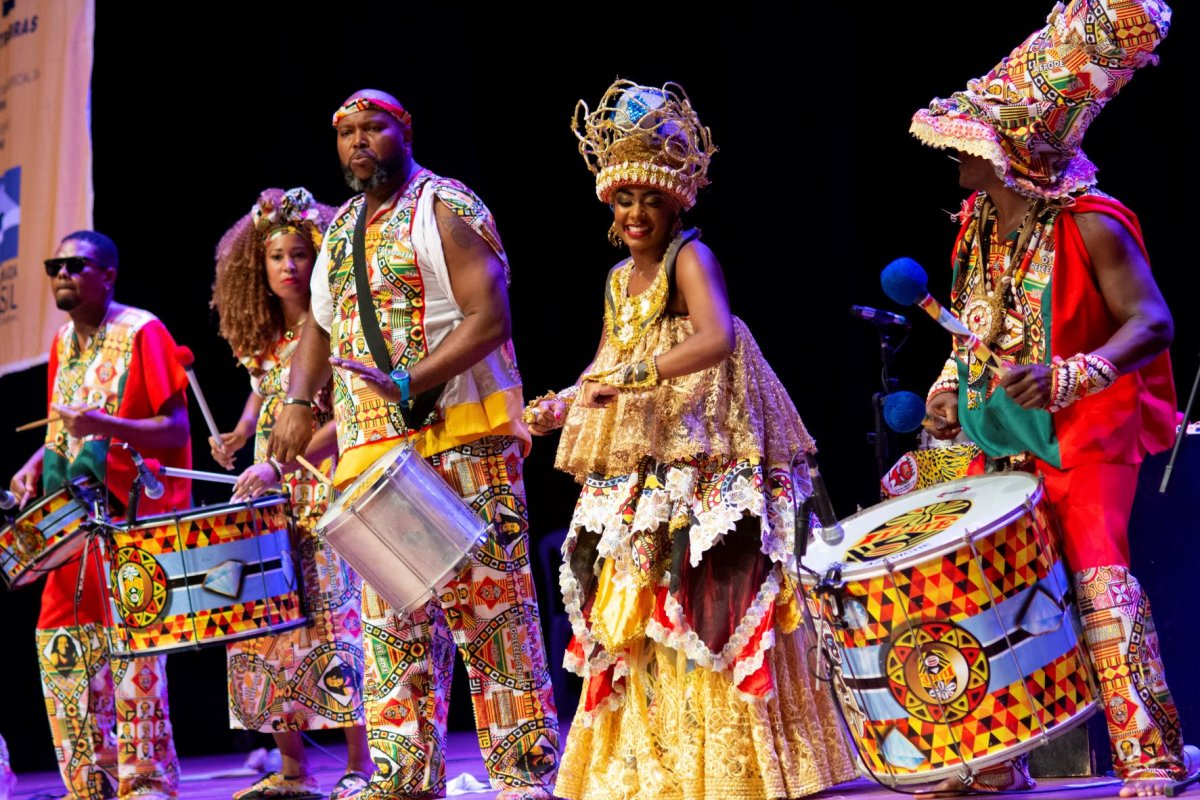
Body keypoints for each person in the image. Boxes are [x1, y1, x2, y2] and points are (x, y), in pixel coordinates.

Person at [526, 79, 856, 800]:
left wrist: (636, 375)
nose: (637, 212)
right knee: (636, 591)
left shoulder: (690, 259)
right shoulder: (618, 279)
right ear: (609, 207)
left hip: (706, 440)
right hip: (644, 447)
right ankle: (657, 764)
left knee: (710, 583)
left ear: (677, 200)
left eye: (651, 198)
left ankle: (736, 763)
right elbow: (607, 358)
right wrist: (565, 399)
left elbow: (713, 337)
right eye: (624, 199)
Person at [911, 1, 1188, 795]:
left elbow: (1153, 323)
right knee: (991, 592)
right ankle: (996, 762)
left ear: (1015, 154)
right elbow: (975, 326)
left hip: (1085, 435)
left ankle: (1152, 757)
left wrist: (1070, 375)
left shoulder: (1093, 222)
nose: (958, 149)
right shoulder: (977, 222)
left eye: (976, 139)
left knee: (1100, 584)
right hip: (999, 429)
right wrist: (944, 390)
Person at [269, 90, 559, 800]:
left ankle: (522, 772)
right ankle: (403, 774)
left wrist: (407, 382)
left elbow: (490, 317)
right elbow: (317, 329)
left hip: (463, 439)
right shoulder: (338, 232)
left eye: (374, 128)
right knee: (393, 618)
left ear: (405, 131)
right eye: (346, 134)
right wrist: (297, 405)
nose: (358, 143)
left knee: (493, 611)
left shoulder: (448, 209)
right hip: (375, 454)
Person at [8, 230, 189, 800]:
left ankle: (146, 784)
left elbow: (177, 429)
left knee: (134, 657)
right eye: (54, 264)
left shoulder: (143, 331)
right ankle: (88, 784)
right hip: (70, 522)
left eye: (75, 265)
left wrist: (103, 427)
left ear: (107, 274)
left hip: (129, 524)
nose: (61, 273)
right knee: (61, 649)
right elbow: (65, 424)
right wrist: (36, 461)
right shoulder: (62, 341)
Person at [211, 187, 372, 800]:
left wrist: (286, 464)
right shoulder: (263, 338)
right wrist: (241, 434)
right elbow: (263, 392)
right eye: (276, 256)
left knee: (338, 624)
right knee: (266, 625)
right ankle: (293, 769)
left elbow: (350, 414)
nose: (287, 266)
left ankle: (360, 762)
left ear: (318, 259)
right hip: (268, 494)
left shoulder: (335, 328)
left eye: (299, 254)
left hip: (322, 487)